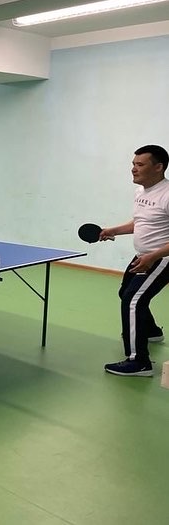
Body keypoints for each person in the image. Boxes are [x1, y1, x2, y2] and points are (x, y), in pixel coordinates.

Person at [100, 144, 169, 377]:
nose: (133, 169)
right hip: (144, 255)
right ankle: (151, 331)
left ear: (158, 167)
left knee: (133, 300)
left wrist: (153, 256)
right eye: (133, 164)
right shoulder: (141, 191)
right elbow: (140, 222)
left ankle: (139, 362)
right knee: (126, 293)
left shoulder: (167, 194)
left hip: (162, 258)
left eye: (140, 164)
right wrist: (113, 230)